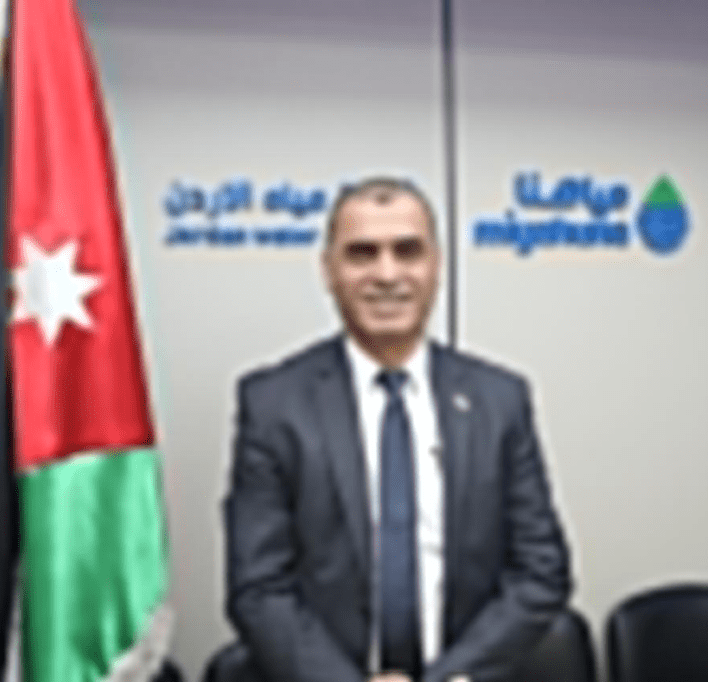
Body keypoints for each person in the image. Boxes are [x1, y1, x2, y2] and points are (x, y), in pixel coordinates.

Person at [223, 177, 572, 682]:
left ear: (437, 266)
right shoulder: (274, 405)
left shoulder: (500, 401)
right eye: (362, 254)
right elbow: (258, 589)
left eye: (408, 251)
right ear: (328, 269)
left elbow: (540, 573)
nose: (387, 275)